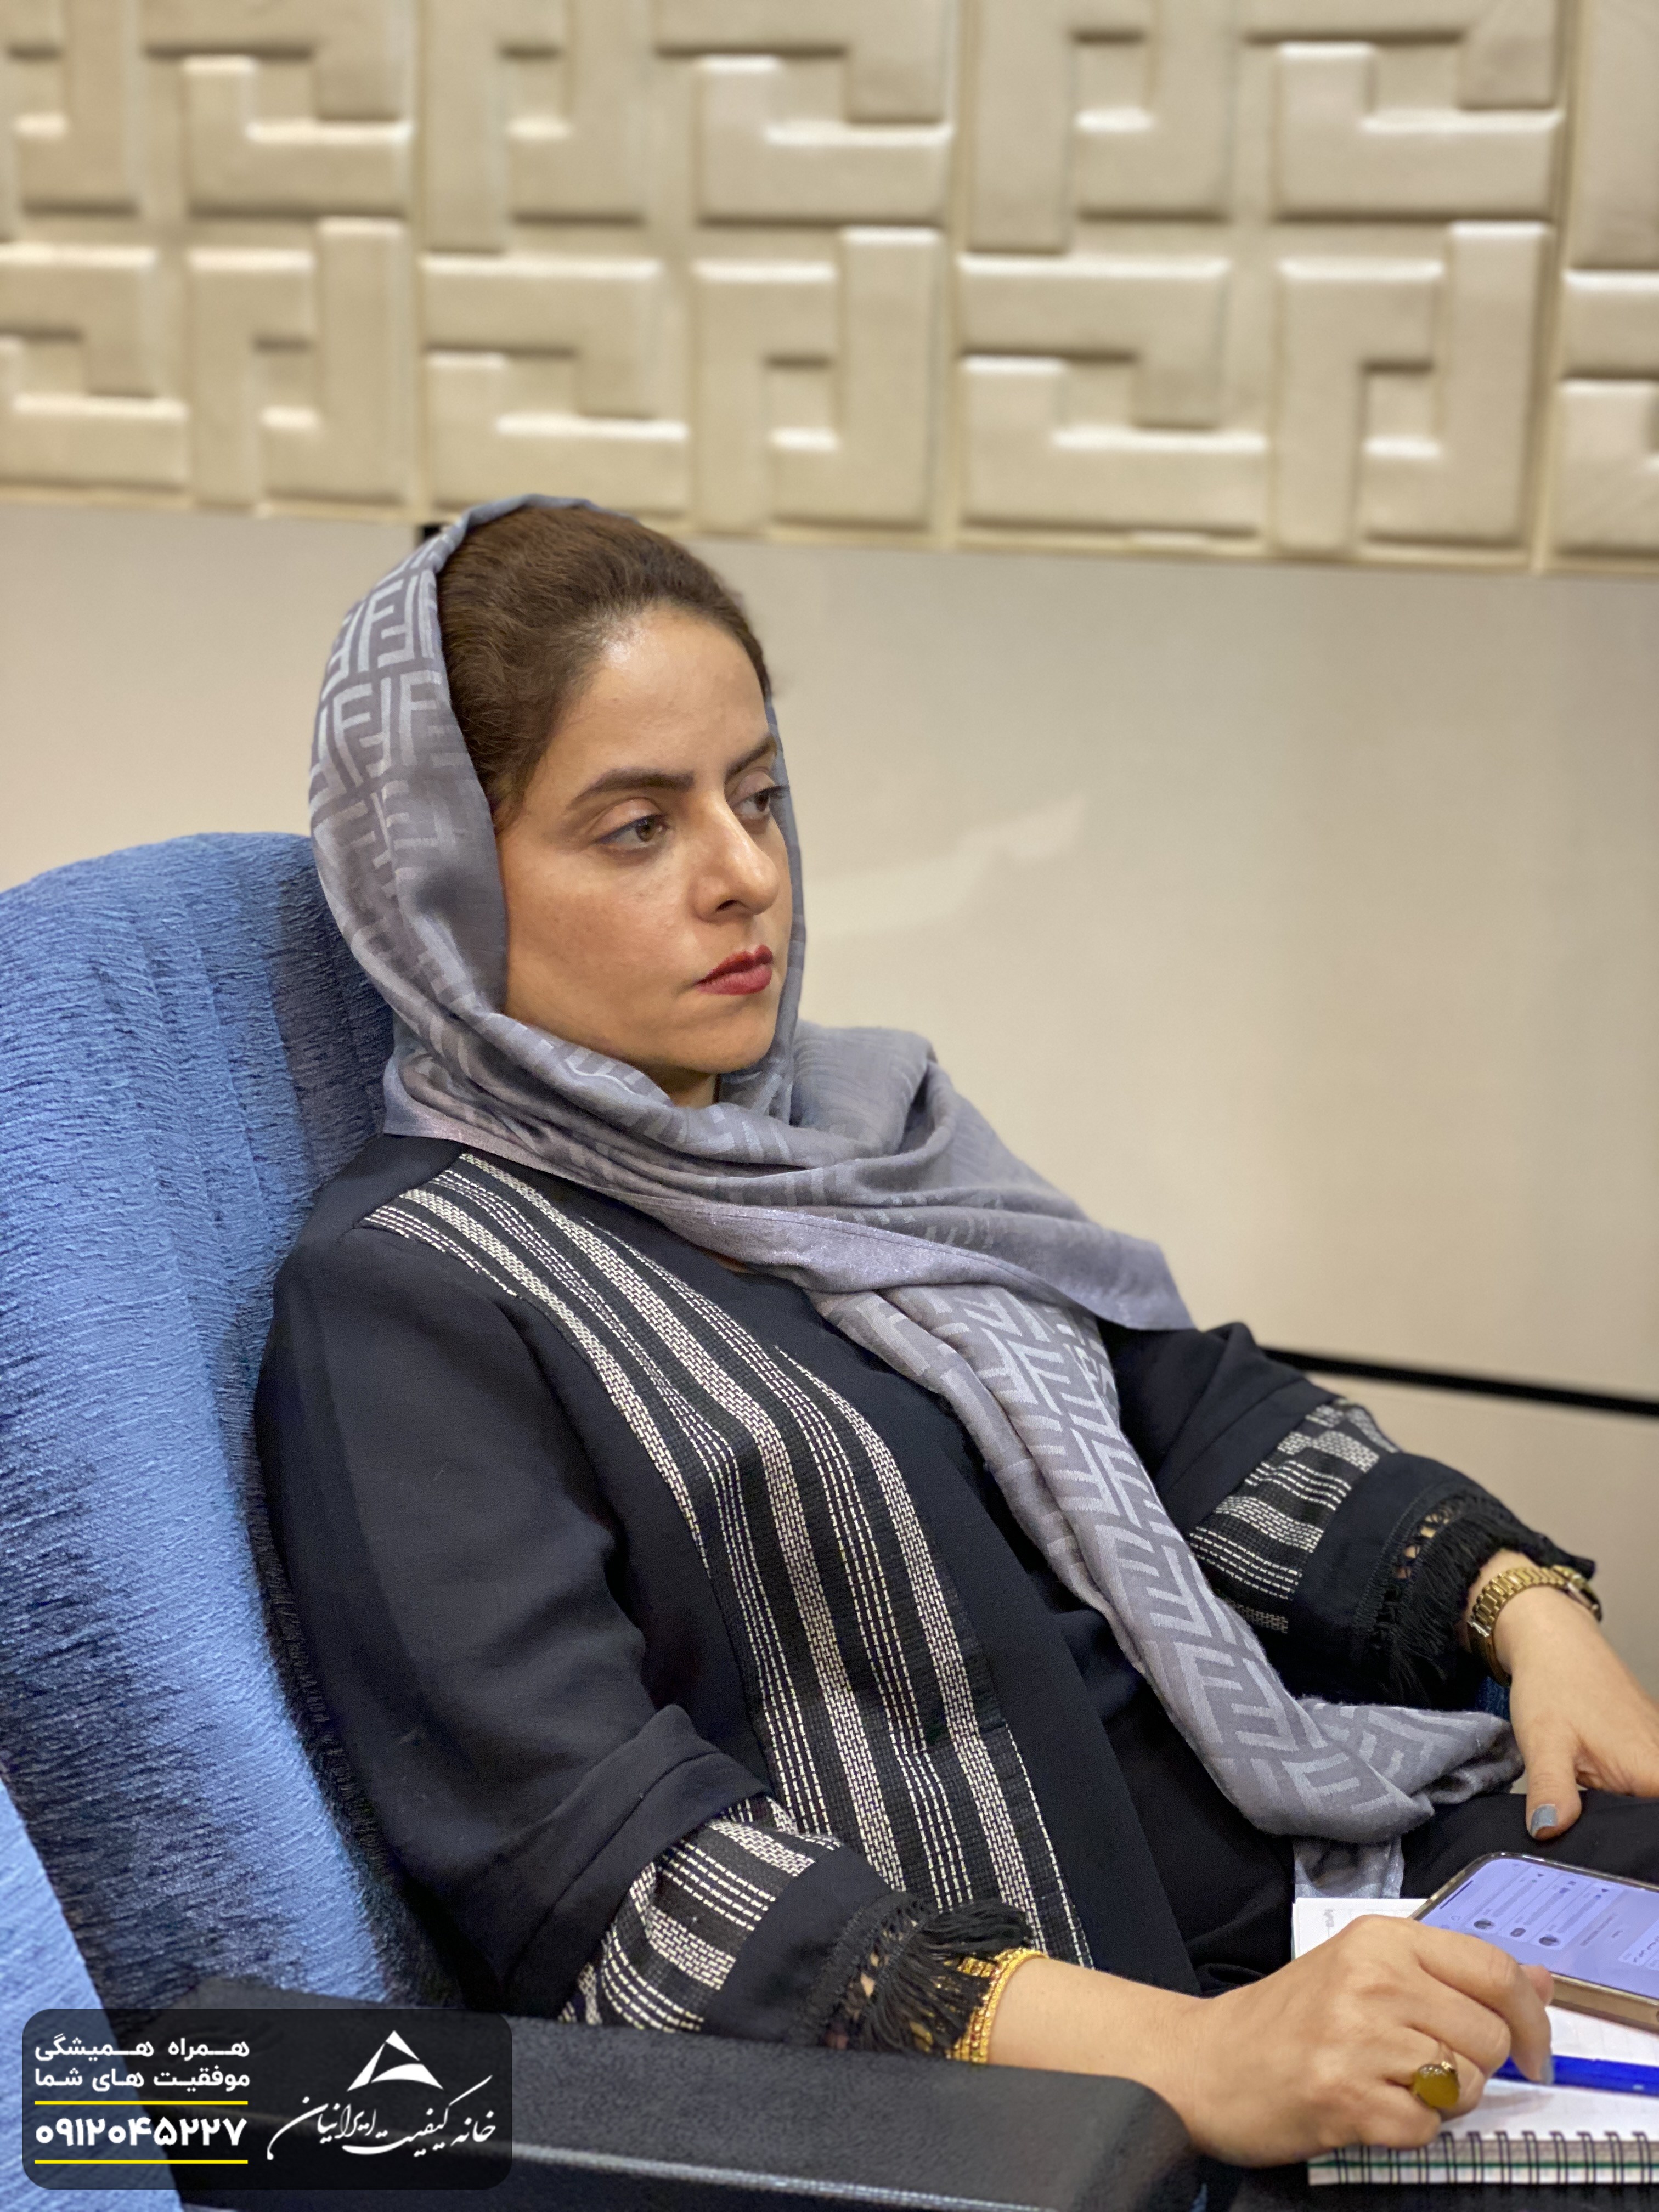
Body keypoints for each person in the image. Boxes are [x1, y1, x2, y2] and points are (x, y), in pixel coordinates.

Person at [259, 495, 1659, 2169]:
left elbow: (1177, 1409)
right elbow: (603, 1873)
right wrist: (1196, 2058)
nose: (745, 874)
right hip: (1075, 2083)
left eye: (758, 796)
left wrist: (1523, 1610)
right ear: (437, 886)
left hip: (1346, 1882)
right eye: (636, 827)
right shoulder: (413, 1293)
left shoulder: (867, 1128)